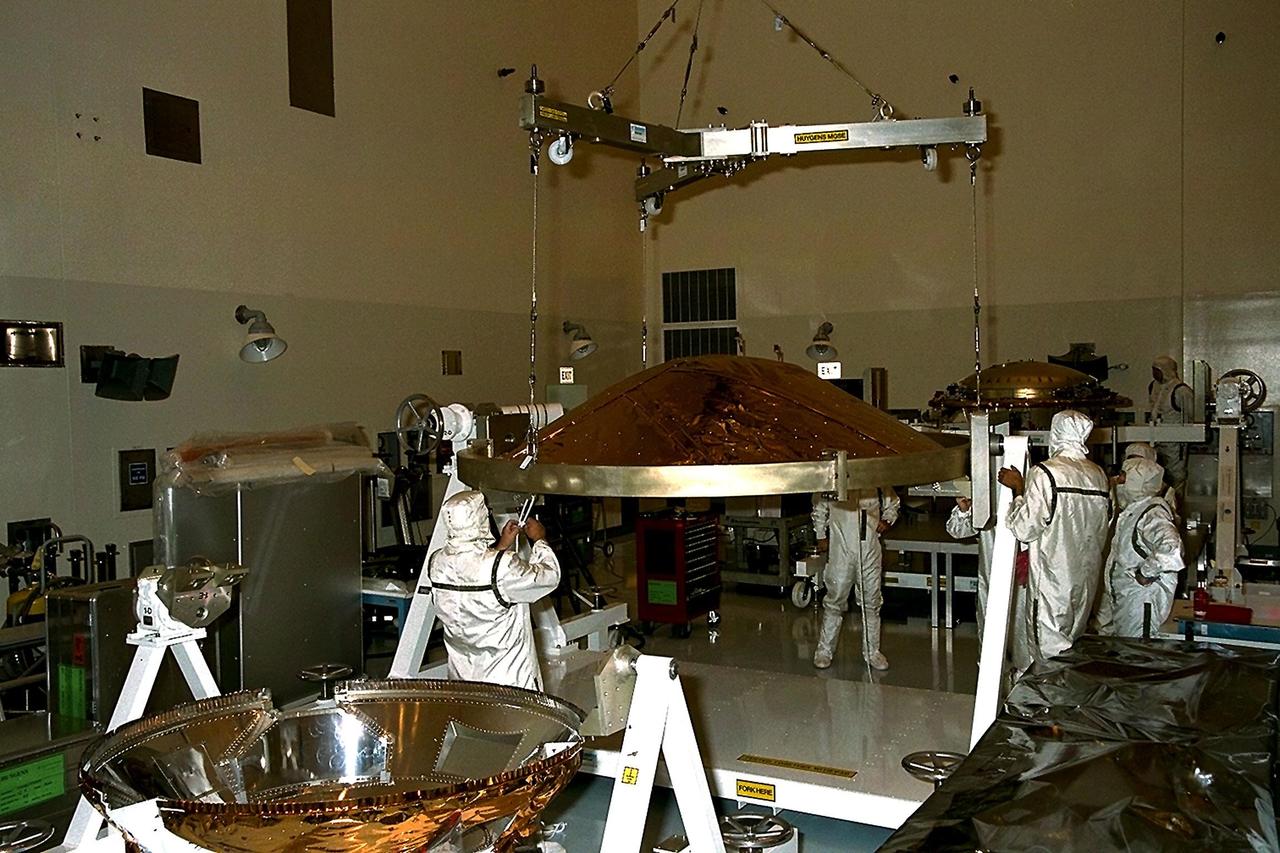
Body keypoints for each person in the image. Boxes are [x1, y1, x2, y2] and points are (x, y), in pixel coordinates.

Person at [998, 410, 1111, 668]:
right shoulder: (1098, 475)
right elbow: (1106, 522)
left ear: (1055, 433)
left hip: (1052, 583)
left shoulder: (1045, 474)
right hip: (1085, 583)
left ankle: (1043, 706)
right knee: (1070, 648)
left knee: (1045, 657)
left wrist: (1018, 491)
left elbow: (1024, 528)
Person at [426, 490, 561, 691]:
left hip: (463, 680)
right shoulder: (502, 567)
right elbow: (549, 577)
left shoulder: (437, 562)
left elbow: (475, 573)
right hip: (508, 680)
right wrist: (539, 541)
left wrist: (503, 545)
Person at [812, 487, 900, 671]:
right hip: (840, 549)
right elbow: (820, 506)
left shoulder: (876, 479)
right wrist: (820, 535)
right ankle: (824, 651)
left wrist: (887, 520)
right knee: (835, 599)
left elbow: (892, 503)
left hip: (869, 548)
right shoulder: (835, 479)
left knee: (871, 601)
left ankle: (872, 652)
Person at [1096, 457, 1184, 637]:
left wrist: (1145, 572)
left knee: (1137, 655)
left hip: (1141, 602)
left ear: (1138, 482)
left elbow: (1171, 548)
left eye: (1123, 476)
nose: (1118, 480)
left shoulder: (1152, 513)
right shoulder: (1135, 510)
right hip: (1129, 600)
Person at [946, 495, 1029, 668]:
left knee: (1025, 639)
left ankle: (1024, 687)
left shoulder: (1038, 485)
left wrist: (1019, 493)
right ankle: (992, 688)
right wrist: (964, 510)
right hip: (993, 578)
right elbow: (958, 530)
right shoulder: (986, 492)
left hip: (1028, 580)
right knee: (991, 640)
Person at [1148, 356, 1195, 492]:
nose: (1154, 374)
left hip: (1175, 441)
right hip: (1156, 438)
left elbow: (1191, 415)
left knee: (1176, 475)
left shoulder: (1181, 391)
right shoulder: (1153, 387)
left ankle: (1176, 505)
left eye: (1157, 370)